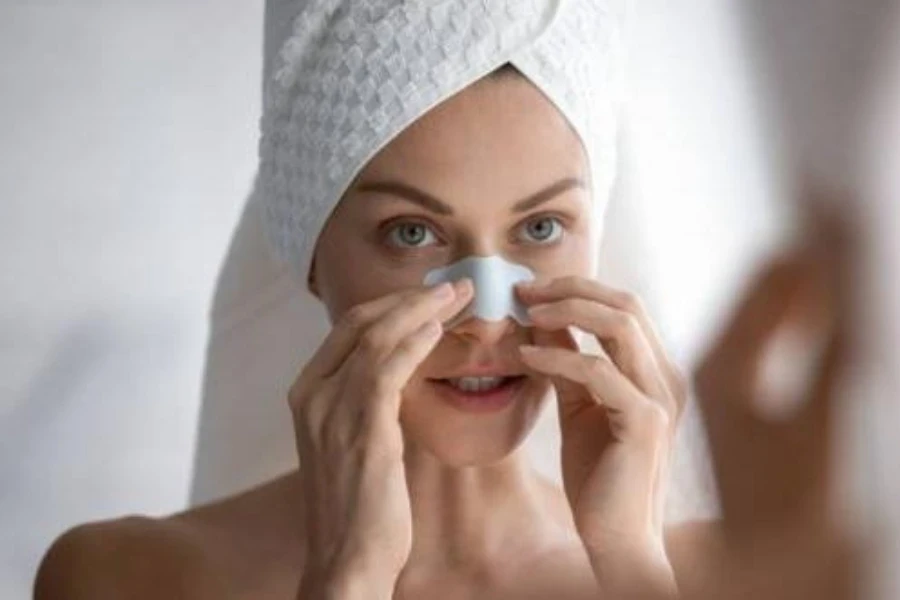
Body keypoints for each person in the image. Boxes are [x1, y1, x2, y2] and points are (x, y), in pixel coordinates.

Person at [32, 0, 721, 594]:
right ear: (308, 255)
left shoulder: (715, 575)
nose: (484, 319)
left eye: (541, 227)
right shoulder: (126, 580)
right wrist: (347, 577)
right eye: (411, 232)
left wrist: (630, 567)